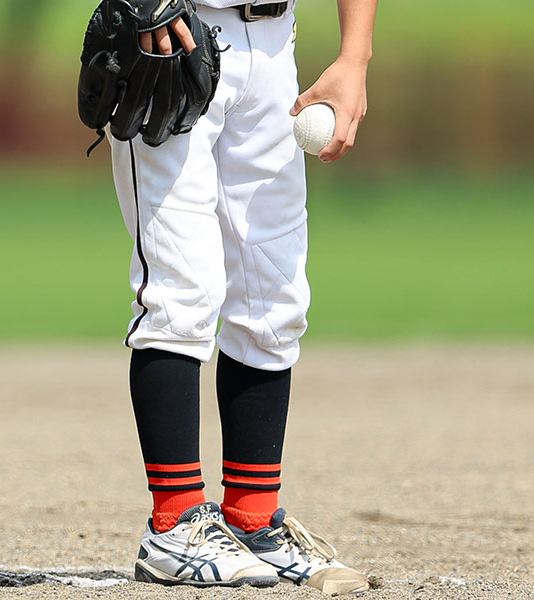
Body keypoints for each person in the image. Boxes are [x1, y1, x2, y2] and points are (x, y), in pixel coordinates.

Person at [107, 0, 377, 592]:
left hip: (274, 48)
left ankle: (252, 520)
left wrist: (355, 55)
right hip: (172, 34)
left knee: (275, 298)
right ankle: (174, 524)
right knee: (183, 294)